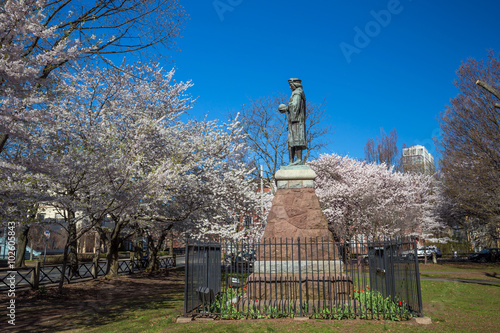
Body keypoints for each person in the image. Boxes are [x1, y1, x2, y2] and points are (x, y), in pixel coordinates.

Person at [279, 78, 307, 165]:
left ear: (295, 85)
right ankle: (291, 161)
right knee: (292, 140)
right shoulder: (296, 93)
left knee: (296, 139)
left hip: (297, 121)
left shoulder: (297, 93)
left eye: (291, 85)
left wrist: (287, 108)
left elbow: (295, 105)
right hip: (295, 121)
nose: (290, 87)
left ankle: (298, 160)